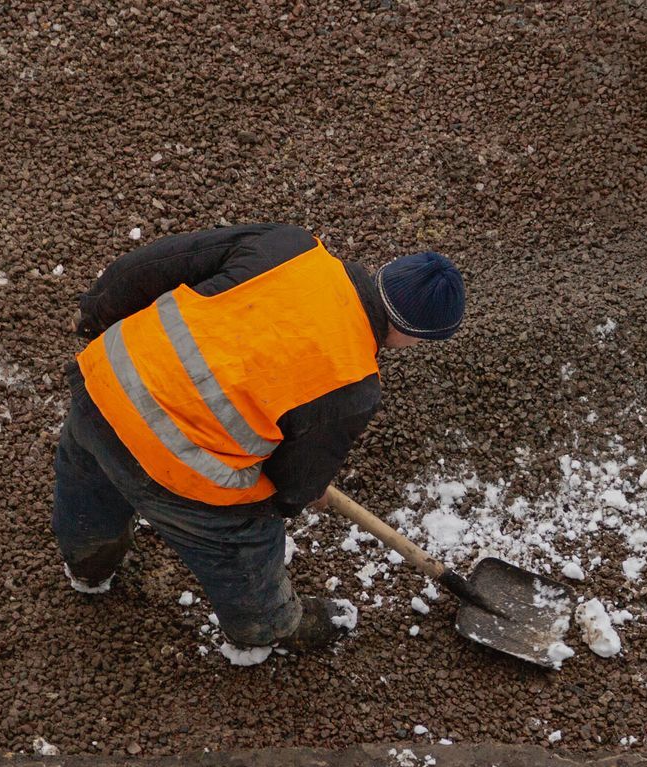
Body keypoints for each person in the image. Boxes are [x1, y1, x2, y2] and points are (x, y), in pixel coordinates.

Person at [52, 224, 465, 651]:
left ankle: (88, 563)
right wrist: (299, 495)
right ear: (414, 336)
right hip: (174, 468)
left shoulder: (292, 247)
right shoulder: (354, 384)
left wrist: (95, 313)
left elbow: (154, 265)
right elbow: (292, 486)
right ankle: (265, 626)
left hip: (104, 387)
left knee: (89, 483)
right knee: (248, 533)